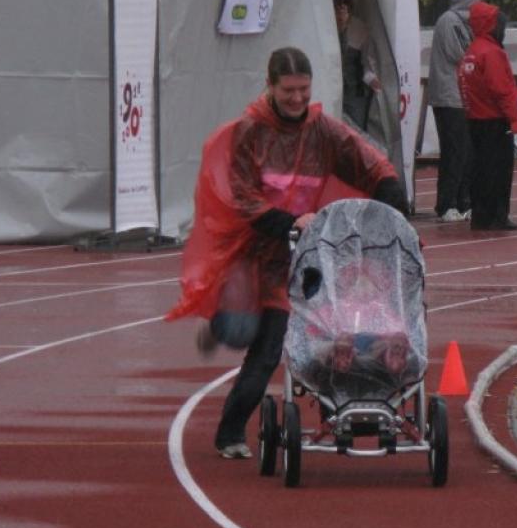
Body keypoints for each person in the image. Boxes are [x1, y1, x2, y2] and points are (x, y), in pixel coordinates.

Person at [166, 47, 407, 460]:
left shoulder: (324, 132)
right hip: (249, 248)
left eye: (303, 89)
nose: (296, 98)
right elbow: (242, 199)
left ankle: (230, 433)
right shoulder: (250, 133)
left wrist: (390, 206)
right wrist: (287, 221)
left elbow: (370, 166)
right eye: (288, 90)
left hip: (295, 257)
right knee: (240, 330)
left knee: (269, 347)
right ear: (271, 86)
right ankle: (220, 325)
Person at [457, 0, 517, 231]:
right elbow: (500, 89)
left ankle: (481, 215)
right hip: (495, 121)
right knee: (500, 171)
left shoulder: (471, 52)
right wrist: (514, 118)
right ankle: (498, 215)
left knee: (479, 169)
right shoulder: (493, 52)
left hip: (475, 119)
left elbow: (475, 87)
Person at [427, 0, 481, 223]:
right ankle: (447, 203)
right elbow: (462, 53)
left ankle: (462, 200)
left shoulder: (460, 22)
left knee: (466, 151)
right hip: (450, 96)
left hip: (460, 97)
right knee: (454, 151)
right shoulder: (450, 21)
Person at [333, 0, 381, 130]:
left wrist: (372, 80)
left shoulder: (360, 29)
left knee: (356, 131)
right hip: (333, 90)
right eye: (337, 8)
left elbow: (368, 64)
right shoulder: (325, 26)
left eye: (344, 8)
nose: (340, 13)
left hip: (355, 93)